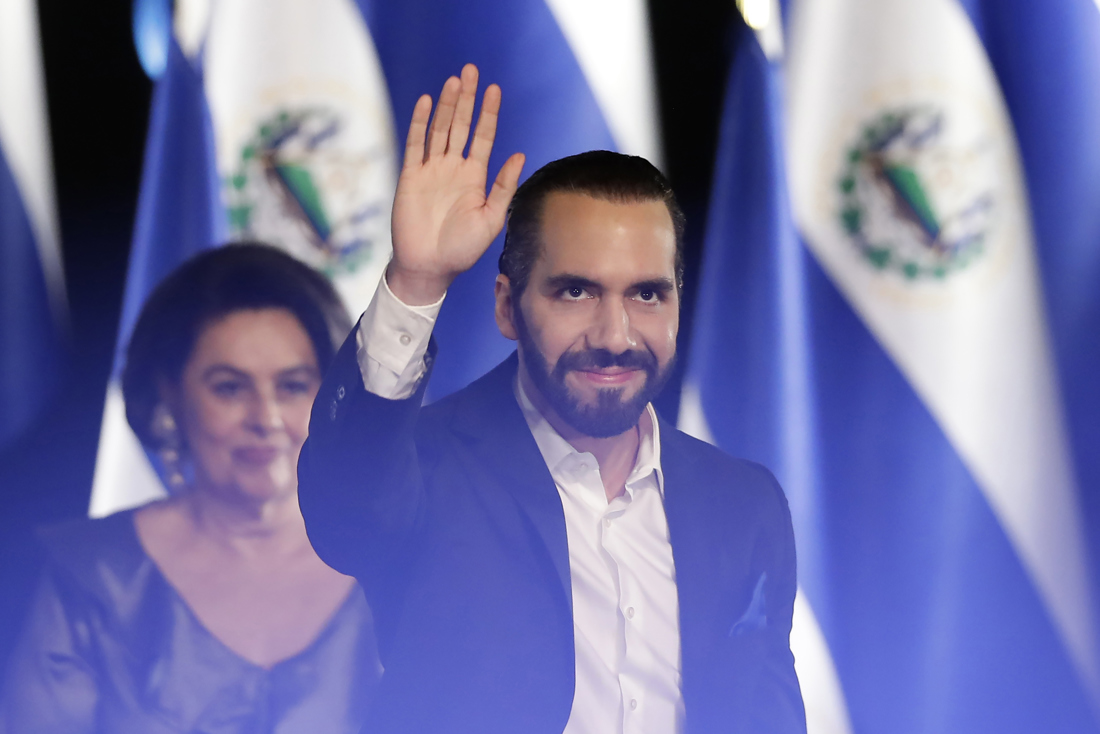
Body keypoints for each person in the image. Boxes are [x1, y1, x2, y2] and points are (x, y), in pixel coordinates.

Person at [299, 65, 806, 734]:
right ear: (508, 305)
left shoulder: (746, 502)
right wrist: (417, 281)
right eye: (576, 292)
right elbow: (346, 511)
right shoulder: (425, 466)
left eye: (647, 294)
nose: (615, 334)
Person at [0, 244, 381, 733]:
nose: (265, 419)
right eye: (229, 387)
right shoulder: (90, 574)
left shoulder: (394, 560)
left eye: (291, 386)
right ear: (169, 396)